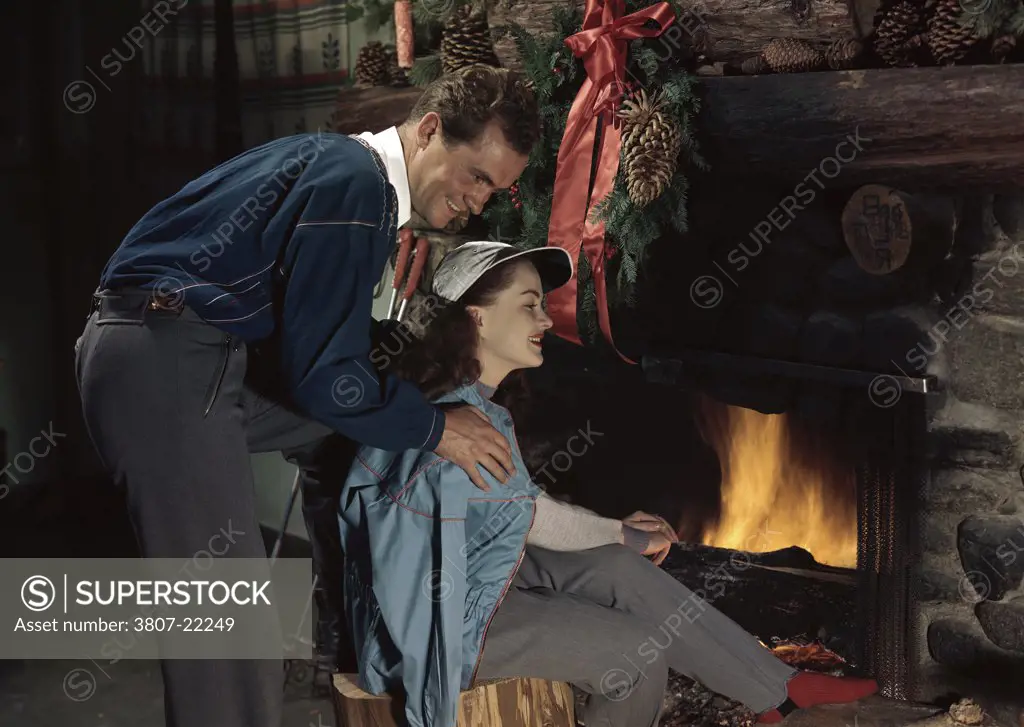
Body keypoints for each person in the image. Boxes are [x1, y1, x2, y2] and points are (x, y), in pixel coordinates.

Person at [73, 65, 540, 727]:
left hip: (188, 352)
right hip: (164, 362)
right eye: (476, 176)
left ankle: (357, 636)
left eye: (497, 190)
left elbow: (319, 345)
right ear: (431, 129)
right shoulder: (356, 185)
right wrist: (441, 429)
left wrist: (420, 380)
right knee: (228, 636)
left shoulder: (344, 172)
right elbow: (328, 376)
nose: (479, 201)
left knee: (351, 436)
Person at [336, 241, 879, 727]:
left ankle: (777, 690)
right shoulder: (453, 418)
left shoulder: (474, 404)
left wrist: (617, 535)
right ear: (476, 318)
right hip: (437, 622)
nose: (545, 320)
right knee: (638, 653)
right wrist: (628, 533)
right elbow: (535, 518)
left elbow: (512, 504)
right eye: (528, 304)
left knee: (617, 568)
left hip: (477, 577)